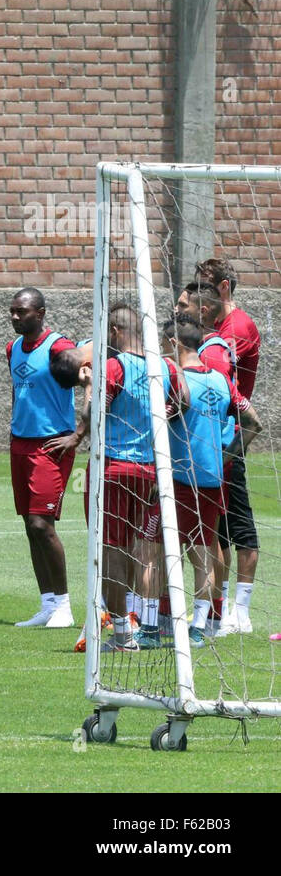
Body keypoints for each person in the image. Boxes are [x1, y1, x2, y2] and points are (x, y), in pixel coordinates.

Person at [51, 304, 176, 652]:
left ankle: (122, 633)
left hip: (114, 467)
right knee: (140, 549)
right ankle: (138, 618)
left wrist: (89, 389)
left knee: (110, 551)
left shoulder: (113, 367)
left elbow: (96, 413)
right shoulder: (164, 367)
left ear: (117, 333)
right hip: (151, 470)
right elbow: (181, 402)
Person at [159, 315, 260, 648]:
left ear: (174, 344)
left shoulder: (176, 380)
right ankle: (201, 623)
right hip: (213, 478)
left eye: (163, 345)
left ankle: (157, 621)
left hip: (179, 477)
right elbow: (253, 423)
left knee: (162, 549)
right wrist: (226, 457)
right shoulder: (220, 379)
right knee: (204, 550)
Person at [6, 287, 80, 628]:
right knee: (29, 526)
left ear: (41, 313)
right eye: (13, 311)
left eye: (22, 311)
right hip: (20, 443)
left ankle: (64, 606)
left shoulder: (59, 347)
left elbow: (91, 380)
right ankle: (47, 604)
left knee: (42, 523)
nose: (16, 317)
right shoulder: (13, 349)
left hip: (51, 445)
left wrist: (78, 435)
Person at [195, 259, 261, 636]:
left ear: (222, 288)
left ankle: (242, 610)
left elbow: (219, 379)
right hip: (210, 433)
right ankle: (217, 609)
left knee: (238, 519)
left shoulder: (237, 327)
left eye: (204, 286)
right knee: (214, 523)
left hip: (231, 434)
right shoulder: (214, 327)